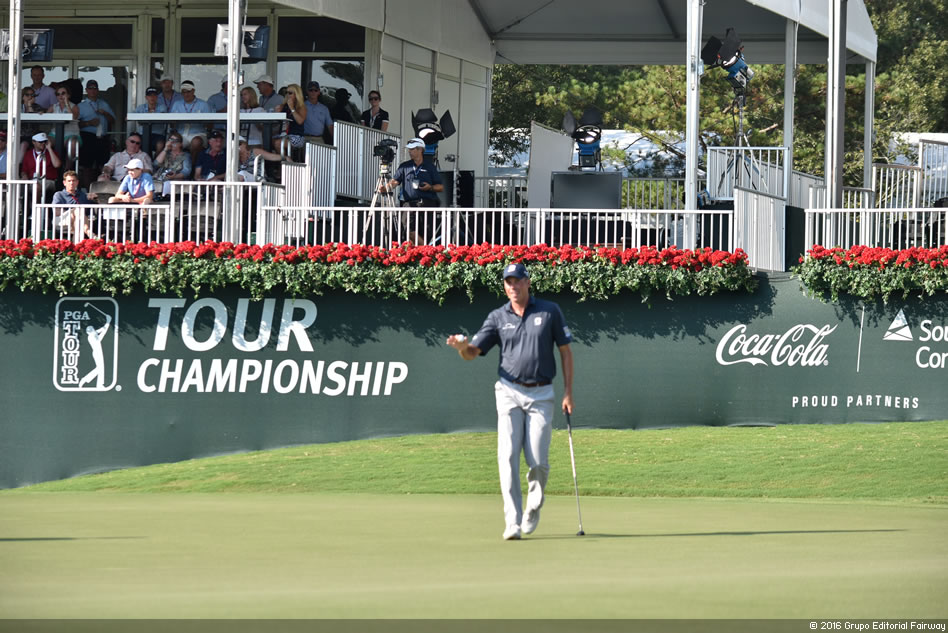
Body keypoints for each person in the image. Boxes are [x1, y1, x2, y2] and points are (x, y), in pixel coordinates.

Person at [446, 262, 574, 541]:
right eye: (508, 282)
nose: (513, 286)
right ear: (505, 287)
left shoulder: (549, 311)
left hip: (542, 394)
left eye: (518, 281)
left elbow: (565, 351)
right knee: (507, 456)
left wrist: (568, 393)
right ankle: (512, 521)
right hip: (508, 392)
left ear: (528, 283)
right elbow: (472, 352)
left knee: (538, 460)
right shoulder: (497, 317)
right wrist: (461, 348)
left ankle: (533, 506)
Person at [77, 79, 115, 176]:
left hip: (102, 137)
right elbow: (75, 124)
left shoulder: (104, 104)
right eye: (90, 88)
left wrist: (105, 113)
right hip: (87, 137)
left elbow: (113, 121)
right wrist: (89, 123)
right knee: (87, 166)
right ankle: (87, 186)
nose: (92, 90)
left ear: (98, 90)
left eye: (95, 88)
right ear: (86, 90)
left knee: (103, 166)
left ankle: (102, 184)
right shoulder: (80, 106)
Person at [170, 80, 211, 163]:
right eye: (183, 92)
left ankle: (192, 168)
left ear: (193, 91)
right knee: (174, 140)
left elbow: (210, 124)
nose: (186, 94)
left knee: (196, 142)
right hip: (181, 134)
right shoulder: (177, 104)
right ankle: (175, 167)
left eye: (188, 91)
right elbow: (171, 124)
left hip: (198, 134)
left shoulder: (203, 104)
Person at [51, 170, 98, 239]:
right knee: (77, 211)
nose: (71, 183)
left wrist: (95, 197)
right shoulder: (59, 195)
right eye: (69, 181)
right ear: (64, 183)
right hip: (62, 219)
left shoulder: (83, 195)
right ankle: (88, 231)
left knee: (78, 220)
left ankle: (76, 243)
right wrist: (73, 213)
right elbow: (56, 211)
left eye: (73, 181)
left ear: (77, 182)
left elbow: (89, 212)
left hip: (80, 220)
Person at [152, 131, 192, 198]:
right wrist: (165, 149)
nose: (173, 143)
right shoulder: (165, 153)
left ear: (181, 144)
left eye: (176, 141)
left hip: (177, 180)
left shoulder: (186, 155)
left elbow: (186, 171)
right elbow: (156, 164)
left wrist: (175, 176)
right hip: (161, 179)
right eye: (171, 140)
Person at [134, 86, 168, 155]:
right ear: (146, 97)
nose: (152, 97)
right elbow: (129, 117)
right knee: (133, 142)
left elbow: (162, 116)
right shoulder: (141, 107)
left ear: (157, 97)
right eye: (150, 95)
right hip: (142, 134)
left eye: (154, 95)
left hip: (158, 134)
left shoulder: (162, 107)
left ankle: (155, 161)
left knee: (160, 145)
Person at [273, 83, 306, 153]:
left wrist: (292, 108)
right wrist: (277, 113)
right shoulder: (283, 106)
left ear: (296, 94)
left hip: (296, 136)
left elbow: (300, 121)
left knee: (278, 143)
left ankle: (285, 159)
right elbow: (277, 123)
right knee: (268, 140)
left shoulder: (301, 107)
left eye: (290, 93)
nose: (287, 95)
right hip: (283, 134)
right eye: (286, 92)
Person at [48, 84, 81, 151]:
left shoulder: (74, 106)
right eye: (58, 94)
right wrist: (41, 113)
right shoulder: (53, 107)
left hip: (71, 134)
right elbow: (45, 118)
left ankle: (67, 159)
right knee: (44, 142)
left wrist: (67, 104)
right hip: (55, 134)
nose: (60, 96)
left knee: (72, 144)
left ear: (68, 95)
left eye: (63, 93)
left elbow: (73, 117)